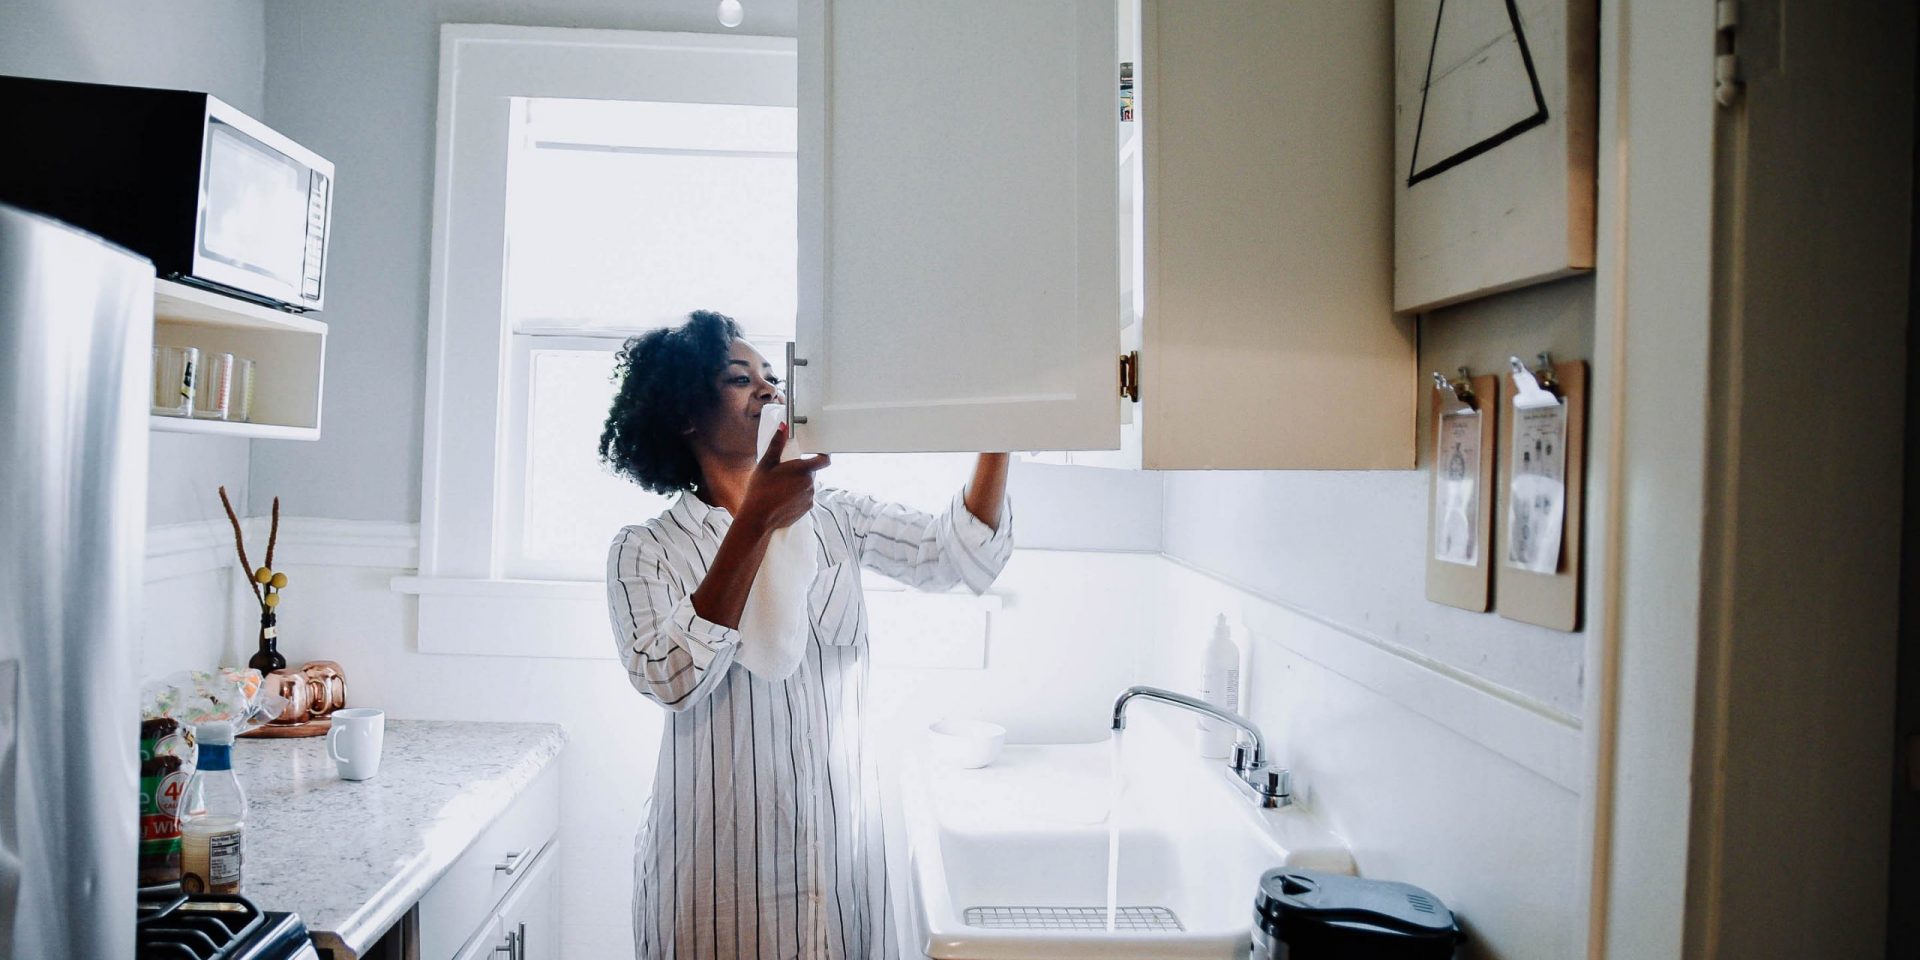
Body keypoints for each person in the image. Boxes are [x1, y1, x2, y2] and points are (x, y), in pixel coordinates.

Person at [600, 310, 1012, 960]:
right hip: (718, 883)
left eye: (771, 376)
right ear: (685, 414)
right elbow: (670, 676)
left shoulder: (838, 517)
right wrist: (756, 521)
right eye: (740, 379)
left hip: (838, 867)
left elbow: (958, 554)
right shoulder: (646, 551)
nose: (768, 388)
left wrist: (1004, 423)